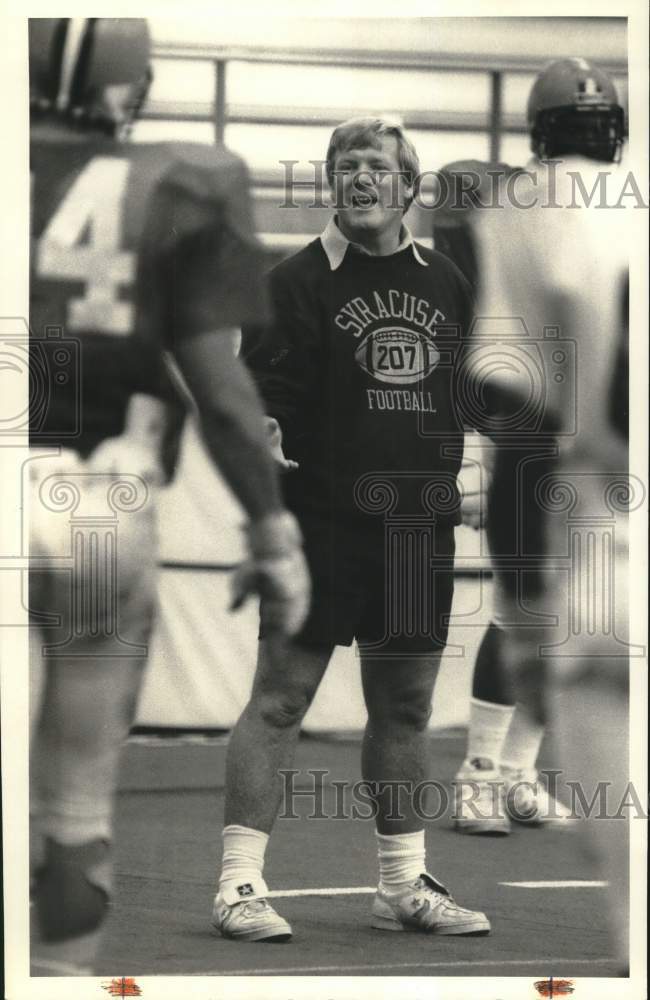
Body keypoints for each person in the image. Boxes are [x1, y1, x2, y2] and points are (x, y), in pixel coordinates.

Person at [28, 17, 310, 975]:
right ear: (127, 91)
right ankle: (62, 979)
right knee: (75, 802)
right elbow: (225, 397)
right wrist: (272, 530)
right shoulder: (175, 181)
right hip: (101, 498)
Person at [211, 117, 491, 943]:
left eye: (377, 165)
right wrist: (261, 434)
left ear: (408, 185)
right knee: (280, 699)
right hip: (322, 526)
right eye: (345, 166)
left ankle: (402, 886)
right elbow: (255, 396)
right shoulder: (291, 282)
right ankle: (238, 886)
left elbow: (474, 396)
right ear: (330, 184)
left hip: (416, 533)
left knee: (404, 707)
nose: (360, 178)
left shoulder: (447, 281)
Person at [467, 58, 630, 965]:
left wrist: (527, 620)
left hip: (601, 545)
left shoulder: (521, 210)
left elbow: (521, 428)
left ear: (538, 133)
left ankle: (488, 776)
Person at [433, 159, 572, 834]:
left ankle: (517, 772)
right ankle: (479, 775)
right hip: (509, 433)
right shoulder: (462, 286)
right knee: (520, 610)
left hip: (564, 436)